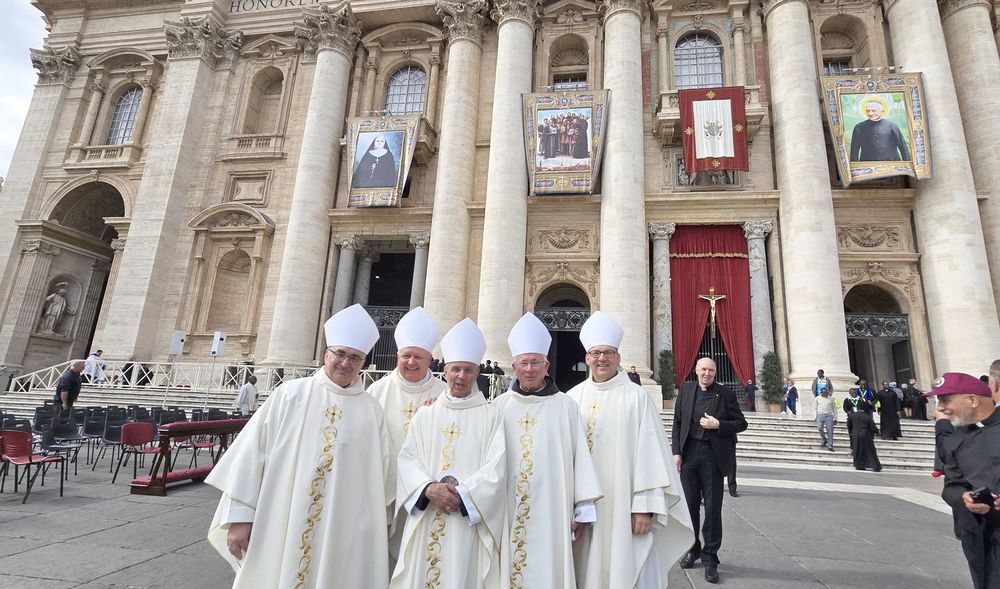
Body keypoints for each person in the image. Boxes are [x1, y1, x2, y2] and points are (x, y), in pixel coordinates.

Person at [205, 304, 394, 588]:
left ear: (363, 363)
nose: (345, 363)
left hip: (344, 529)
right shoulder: (290, 394)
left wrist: (373, 529)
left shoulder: (371, 410)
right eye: (340, 354)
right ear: (326, 354)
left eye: (355, 357)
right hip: (281, 516)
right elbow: (251, 456)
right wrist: (240, 517)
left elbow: (383, 480)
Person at [569, 311, 693, 588]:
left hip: (624, 506)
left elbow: (650, 454)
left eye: (608, 353)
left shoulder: (637, 398)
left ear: (618, 357)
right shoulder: (572, 398)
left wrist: (644, 507)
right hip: (583, 510)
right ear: (587, 358)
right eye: (596, 353)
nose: (602, 359)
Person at [391, 318, 507, 589]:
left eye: (468, 370)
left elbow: (496, 467)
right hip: (427, 513)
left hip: (465, 520)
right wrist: (428, 488)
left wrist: (464, 495)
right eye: (456, 369)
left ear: (477, 374)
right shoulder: (426, 414)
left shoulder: (491, 417)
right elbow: (407, 459)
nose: (461, 377)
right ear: (445, 371)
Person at [492, 313, 602, 587]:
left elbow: (580, 458)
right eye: (524, 363)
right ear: (514, 367)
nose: (529, 369)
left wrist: (582, 510)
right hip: (508, 508)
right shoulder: (498, 407)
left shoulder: (565, 406)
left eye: (535, 363)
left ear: (547, 365)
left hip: (554, 509)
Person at [366, 306, 448, 571]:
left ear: (430, 359)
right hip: (383, 493)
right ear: (397, 356)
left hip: (426, 496)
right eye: (406, 356)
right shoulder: (375, 392)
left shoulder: (444, 394)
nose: (411, 362)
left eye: (418, 357)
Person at [671, 356, 746, 584]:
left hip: (713, 457)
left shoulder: (725, 394)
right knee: (690, 507)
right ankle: (692, 549)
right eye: (703, 369)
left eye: (711, 370)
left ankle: (710, 557)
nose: (707, 373)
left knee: (713, 509)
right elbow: (677, 422)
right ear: (696, 370)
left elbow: (741, 423)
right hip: (689, 456)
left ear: (715, 373)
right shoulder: (686, 390)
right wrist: (676, 452)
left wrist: (719, 424)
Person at [926, 373, 1000, 589]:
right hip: (978, 534)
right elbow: (951, 486)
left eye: (945, 400)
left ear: (973, 400)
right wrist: (964, 498)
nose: (940, 408)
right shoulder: (956, 438)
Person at [846, 403, 882, 472]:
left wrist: (851, 433)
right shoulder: (867, 417)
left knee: (858, 450)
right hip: (865, 434)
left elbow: (849, 425)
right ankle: (875, 466)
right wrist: (877, 433)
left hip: (855, 434)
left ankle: (859, 465)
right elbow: (873, 426)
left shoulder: (852, 416)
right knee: (870, 451)